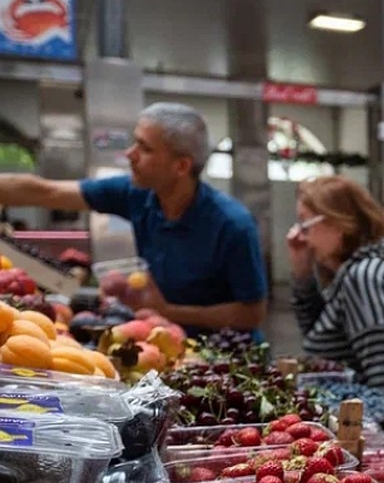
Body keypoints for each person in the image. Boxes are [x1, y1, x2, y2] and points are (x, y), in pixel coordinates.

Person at [0, 102, 267, 334]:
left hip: (224, 359)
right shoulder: (137, 194)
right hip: (160, 340)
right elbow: (47, 192)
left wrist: (168, 311)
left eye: (144, 147)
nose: (130, 154)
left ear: (181, 166)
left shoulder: (232, 224)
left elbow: (251, 313)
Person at [287, 176, 384, 415]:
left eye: (305, 224)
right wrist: (302, 273)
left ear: (338, 224)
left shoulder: (365, 279)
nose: (298, 235)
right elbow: (318, 333)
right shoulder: (354, 272)